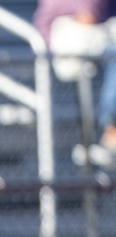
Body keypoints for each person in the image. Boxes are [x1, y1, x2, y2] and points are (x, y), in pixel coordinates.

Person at [34, 0, 116, 151]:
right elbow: (44, 20)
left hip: (101, 36)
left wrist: (91, 14)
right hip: (77, 44)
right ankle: (112, 127)